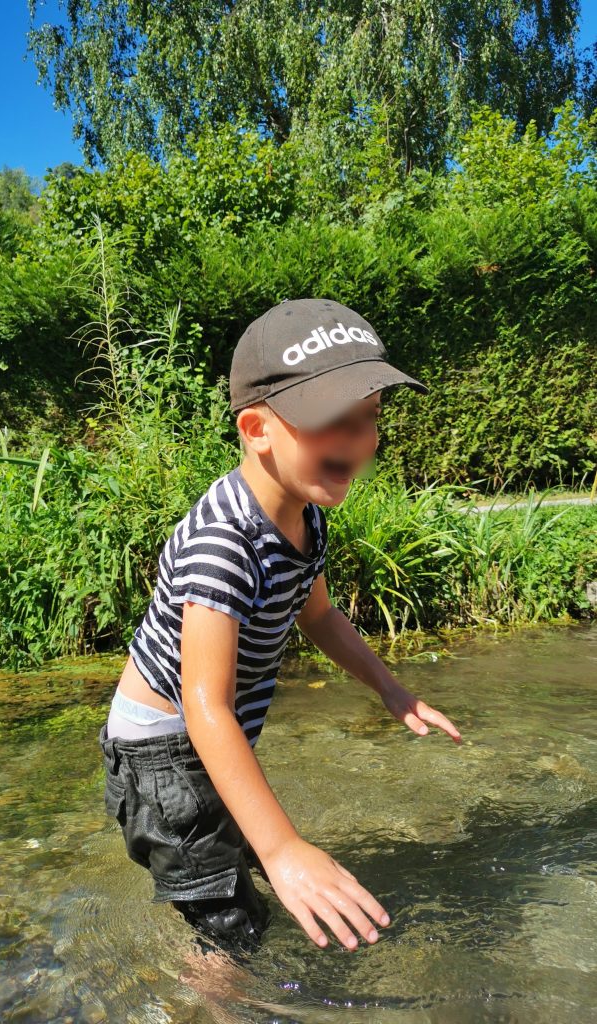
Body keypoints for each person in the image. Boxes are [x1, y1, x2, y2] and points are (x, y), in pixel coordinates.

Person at [98, 297, 462, 958]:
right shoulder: (223, 544)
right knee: (233, 927)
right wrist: (283, 846)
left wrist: (390, 689)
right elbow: (204, 705)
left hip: (203, 735)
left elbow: (317, 614)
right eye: (331, 420)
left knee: (237, 875)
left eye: (369, 417)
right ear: (257, 428)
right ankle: (208, 995)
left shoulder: (304, 515)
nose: (357, 438)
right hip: (162, 752)